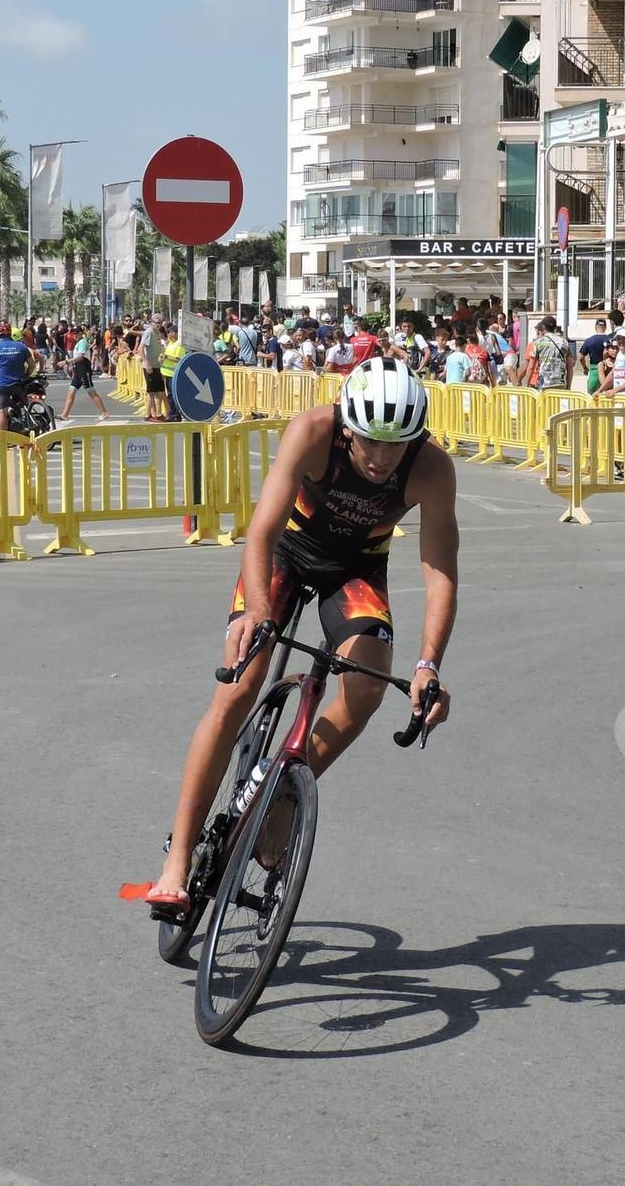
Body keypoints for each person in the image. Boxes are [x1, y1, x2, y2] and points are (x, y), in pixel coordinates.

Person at [143, 359, 456, 919]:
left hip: (356, 569)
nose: (382, 458)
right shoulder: (312, 431)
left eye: (396, 444)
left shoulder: (431, 468)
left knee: (366, 688)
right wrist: (257, 614)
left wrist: (429, 664)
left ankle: (281, 800)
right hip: (287, 554)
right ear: (346, 427)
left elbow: (440, 571)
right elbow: (261, 529)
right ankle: (177, 860)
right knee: (239, 684)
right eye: (369, 442)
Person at [62, 326, 109, 420]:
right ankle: (64, 415)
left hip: (83, 369)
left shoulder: (82, 342)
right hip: (77, 370)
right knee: (71, 392)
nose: (74, 335)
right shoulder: (78, 343)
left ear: (81, 333)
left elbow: (80, 357)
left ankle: (104, 412)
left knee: (91, 391)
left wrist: (67, 362)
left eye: (76, 333)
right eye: (73, 333)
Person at [521, 315, 572, 391]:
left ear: (543, 327)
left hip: (544, 385)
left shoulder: (538, 343)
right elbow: (570, 367)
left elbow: (531, 367)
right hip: (560, 385)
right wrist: (568, 387)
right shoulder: (564, 342)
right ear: (555, 328)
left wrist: (526, 386)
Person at [140, 317, 169, 419]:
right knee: (151, 392)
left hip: (157, 366)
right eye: (157, 323)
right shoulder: (149, 332)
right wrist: (146, 362)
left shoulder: (157, 333)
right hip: (150, 366)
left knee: (159, 390)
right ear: (152, 322)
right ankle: (148, 414)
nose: (159, 325)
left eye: (160, 323)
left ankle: (157, 413)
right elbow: (141, 348)